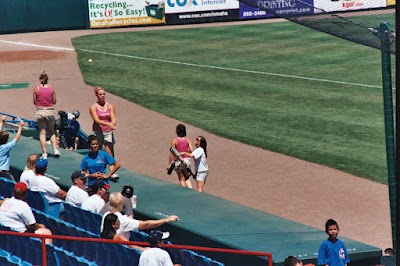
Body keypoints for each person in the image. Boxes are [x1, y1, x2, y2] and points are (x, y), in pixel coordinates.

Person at [101, 192, 179, 240]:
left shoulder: (106, 214)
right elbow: (146, 224)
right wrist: (166, 219)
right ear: (121, 204)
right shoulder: (122, 220)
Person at [33, 71, 60, 159]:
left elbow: (35, 101)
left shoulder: (36, 88)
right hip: (50, 111)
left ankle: (44, 153)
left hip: (40, 111)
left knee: (42, 133)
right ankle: (55, 150)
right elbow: (54, 101)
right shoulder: (52, 88)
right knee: (51, 131)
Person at [90, 86, 116, 157]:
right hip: (98, 131)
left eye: (104, 94)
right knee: (99, 152)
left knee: (109, 153)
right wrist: (108, 124)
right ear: (96, 95)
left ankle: (111, 167)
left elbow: (113, 117)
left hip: (108, 131)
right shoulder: (93, 107)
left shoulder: (110, 106)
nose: (102, 96)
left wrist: (113, 122)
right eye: (100, 94)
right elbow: (97, 120)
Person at [167, 124, 193, 188]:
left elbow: (172, 152)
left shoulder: (174, 140)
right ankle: (191, 189)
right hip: (187, 161)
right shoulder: (188, 140)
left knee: (181, 179)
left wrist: (169, 163)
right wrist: (185, 152)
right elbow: (192, 150)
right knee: (187, 177)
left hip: (179, 161)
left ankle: (185, 192)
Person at [0, 117, 24, 181]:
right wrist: (20, 127)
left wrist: (2, 122)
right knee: (13, 184)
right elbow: (17, 138)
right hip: (3, 172)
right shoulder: (6, 147)